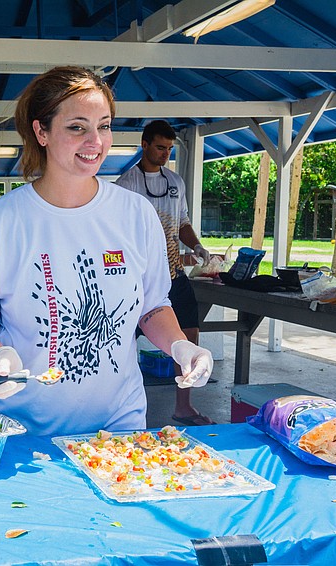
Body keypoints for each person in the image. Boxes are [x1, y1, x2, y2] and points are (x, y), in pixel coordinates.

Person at [0, 66, 213, 437]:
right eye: (77, 127)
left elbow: (153, 306)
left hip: (119, 427)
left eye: (103, 126)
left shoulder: (136, 215)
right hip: (22, 430)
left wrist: (180, 346)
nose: (95, 141)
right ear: (41, 131)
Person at [115, 120, 215, 426]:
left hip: (173, 274)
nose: (164, 154)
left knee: (189, 335)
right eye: (160, 147)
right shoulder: (125, 185)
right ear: (144, 145)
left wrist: (197, 248)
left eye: (169, 149)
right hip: (136, 278)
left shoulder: (176, 182)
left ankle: (183, 406)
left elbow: (182, 221)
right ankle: (121, 406)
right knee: (122, 341)